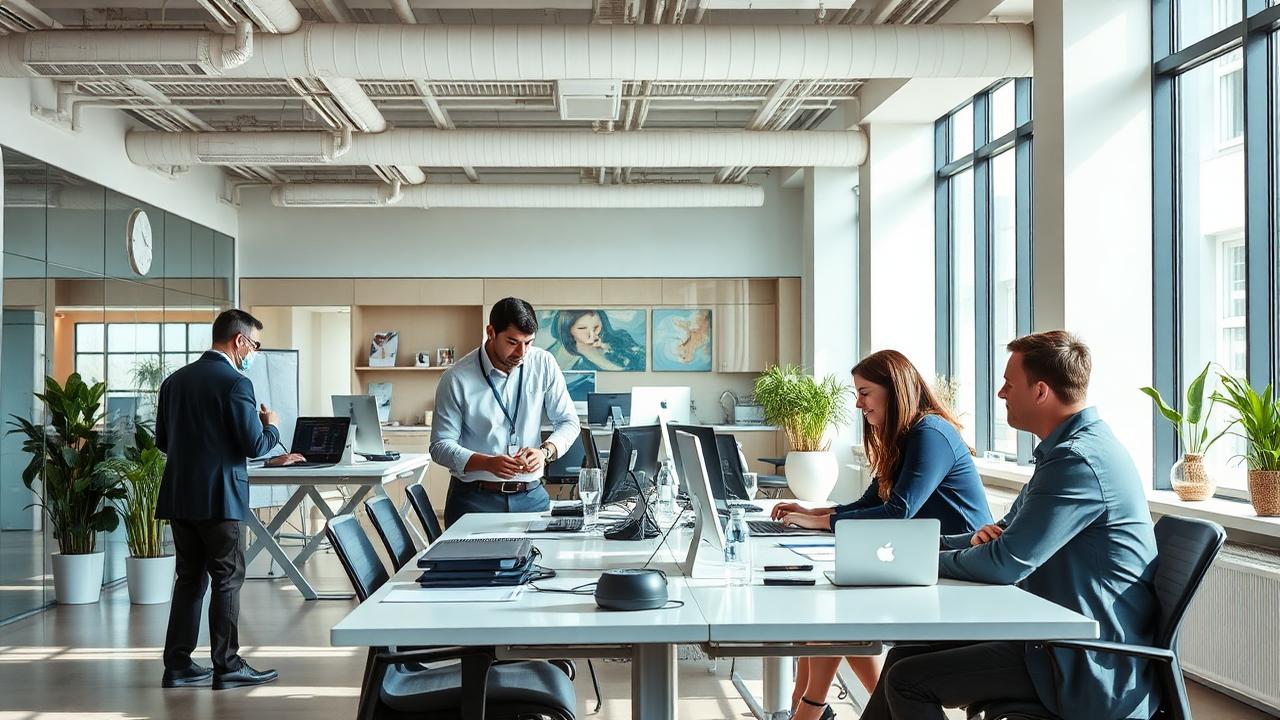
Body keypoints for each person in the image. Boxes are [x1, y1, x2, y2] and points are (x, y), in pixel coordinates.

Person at [860, 331, 1160, 720]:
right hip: (1049, 636)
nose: (1001, 393)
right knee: (909, 649)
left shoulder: (1078, 461)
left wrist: (915, 563)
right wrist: (919, 548)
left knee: (908, 680)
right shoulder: (1065, 451)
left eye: (1008, 383)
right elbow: (998, 533)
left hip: (1082, 660)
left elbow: (1005, 561)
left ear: (1040, 392)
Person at [769, 349, 992, 720]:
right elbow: (869, 502)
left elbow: (898, 512)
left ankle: (809, 710)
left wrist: (823, 523)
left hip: (958, 566)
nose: (858, 403)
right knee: (831, 600)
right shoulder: (904, 437)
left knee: (838, 607)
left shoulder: (931, 433)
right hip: (920, 560)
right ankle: (845, 706)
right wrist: (817, 512)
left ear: (894, 389)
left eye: (864, 392)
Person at [155, 309, 281, 691]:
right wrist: (270, 424)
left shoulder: (174, 382)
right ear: (240, 341)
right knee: (227, 579)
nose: (254, 352)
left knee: (189, 580)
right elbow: (254, 444)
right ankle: (227, 665)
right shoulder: (236, 383)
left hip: (180, 497)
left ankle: (177, 665)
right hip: (220, 500)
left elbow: (163, 441)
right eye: (255, 344)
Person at [431, 297, 581, 527]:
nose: (521, 352)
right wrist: (486, 463)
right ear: (491, 332)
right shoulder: (456, 378)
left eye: (528, 343)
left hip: (532, 496)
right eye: (512, 342)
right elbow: (440, 446)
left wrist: (545, 452)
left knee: (542, 562)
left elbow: (569, 421)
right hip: (474, 499)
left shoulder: (544, 364)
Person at [545, 309, 645, 372]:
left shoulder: (621, 337)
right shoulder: (579, 367)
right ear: (568, 331)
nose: (592, 335)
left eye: (596, 327)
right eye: (582, 328)